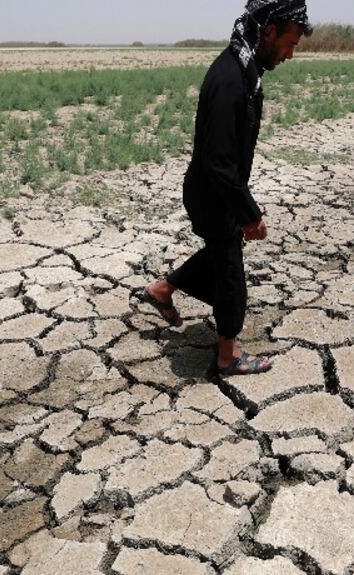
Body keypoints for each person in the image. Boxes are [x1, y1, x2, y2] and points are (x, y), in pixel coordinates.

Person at [134, 0, 310, 377]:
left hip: (213, 189)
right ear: (269, 31)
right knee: (230, 274)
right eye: (290, 43)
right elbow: (218, 161)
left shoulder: (242, 67)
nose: (291, 54)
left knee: (220, 254)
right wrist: (249, 213)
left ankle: (163, 289)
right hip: (213, 193)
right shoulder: (231, 79)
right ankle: (227, 356)